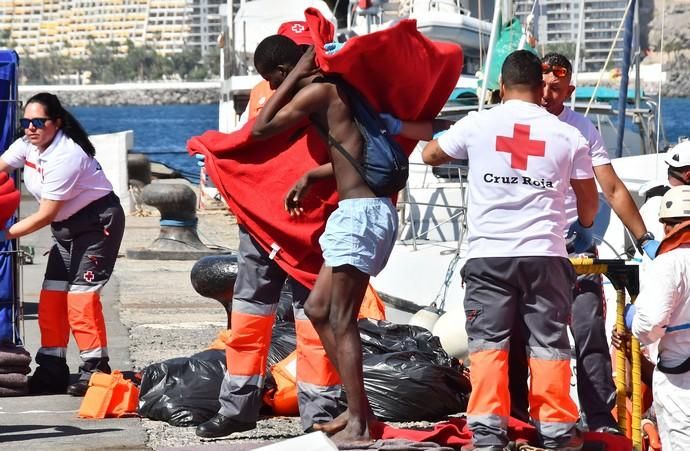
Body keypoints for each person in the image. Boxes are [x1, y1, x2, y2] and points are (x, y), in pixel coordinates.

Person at [421, 50, 599, 450]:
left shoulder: (479, 123)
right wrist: (583, 228)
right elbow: (589, 203)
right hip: (547, 257)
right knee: (550, 346)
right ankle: (555, 432)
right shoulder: (568, 135)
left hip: (489, 257)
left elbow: (430, 154)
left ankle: (487, 434)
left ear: (501, 87)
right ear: (541, 90)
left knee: (487, 346)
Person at [195, 22, 347, 439]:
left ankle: (319, 415)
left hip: (309, 226)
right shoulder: (267, 93)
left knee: (313, 322)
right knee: (249, 316)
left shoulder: (326, 89)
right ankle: (239, 406)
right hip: (261, 226)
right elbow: (247, 145)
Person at [250, 35, 398, 445]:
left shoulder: (320, 90)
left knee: (340, 318)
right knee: (317, 308)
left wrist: (296, 73)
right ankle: (358, 411)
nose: (274, 88)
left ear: (283, 71)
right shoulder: (336, 91)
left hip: (362, 216)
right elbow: (349, 152)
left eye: (272, 80)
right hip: (359, 213)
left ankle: (360, 423)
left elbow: (261, 128)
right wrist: (312, 175)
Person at [508, 52, 659, 434]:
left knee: (590, 328)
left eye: (555, 89)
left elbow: (611, 187)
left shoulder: (580, 129)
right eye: (541, 86)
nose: (545, 95)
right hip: (528, 245)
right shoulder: (515, 125)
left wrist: (645, 240)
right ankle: (519, 416)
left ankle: (598, 416)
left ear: (569, 90)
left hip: (576, 244)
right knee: (520, 333)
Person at [0, 92, 125, 396]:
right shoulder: (28, 145)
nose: (31, 128)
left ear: (56, 122)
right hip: (65, 230)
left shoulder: (66, 155)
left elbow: (46, 213)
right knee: (52, 297)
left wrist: (5, 234)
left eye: (38, 122)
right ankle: (52, 367)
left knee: (81, 299)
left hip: (96, 226)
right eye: (26, 122)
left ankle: (95, 368)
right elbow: (2, 166)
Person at [624, 185, 690, 449]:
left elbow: (650, 326)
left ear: (667, 227)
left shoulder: (669, 263)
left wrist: (632, 319)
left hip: (680, 381)